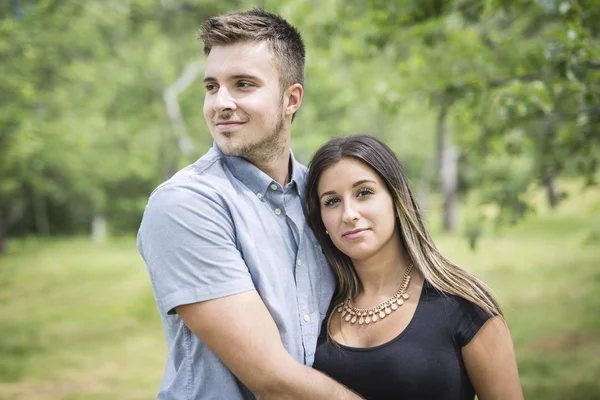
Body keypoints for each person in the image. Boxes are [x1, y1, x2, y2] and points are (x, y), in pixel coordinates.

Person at [137, 9, 361, 400]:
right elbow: (273, 382)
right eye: (211, 86)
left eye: (242, 84)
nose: (221, 103)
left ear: (291, 98)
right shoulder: (186, 204)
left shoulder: (322, 196)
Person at [305, 134, 524, 400]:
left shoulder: (463, 303)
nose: (348, 214)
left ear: (396, 201)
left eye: (364, 193)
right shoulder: (314, 308)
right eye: (332, 201)